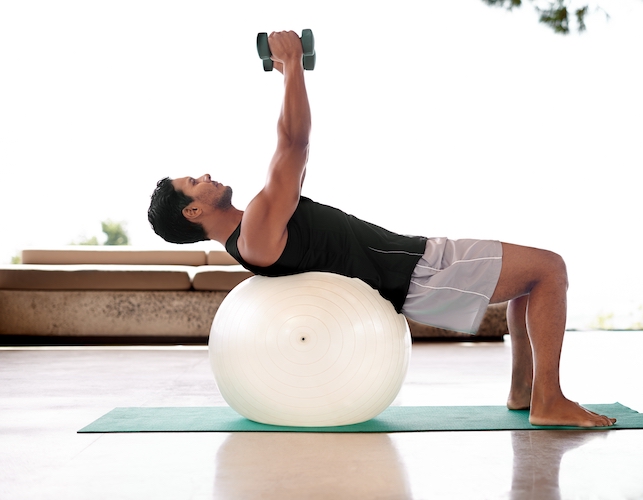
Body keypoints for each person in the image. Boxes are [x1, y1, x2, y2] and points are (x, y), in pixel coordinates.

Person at [147, 31, 615, 428]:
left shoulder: (257, 227)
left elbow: (296, 158)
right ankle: (549, 402)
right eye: (193, 182)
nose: (204, 175)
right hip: (421, 271)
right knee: (549, 270)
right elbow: (294, 142)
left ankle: (524, 392)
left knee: (529, 282)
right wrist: (291, 65)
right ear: (192, 213)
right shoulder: (256, 232)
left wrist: (290, 73)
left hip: (417, 264)